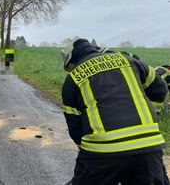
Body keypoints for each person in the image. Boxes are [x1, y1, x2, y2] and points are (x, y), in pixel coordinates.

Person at [61, 38, 169, 185]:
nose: (71, 70)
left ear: (72, 61)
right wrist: (152, 117)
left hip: (101, 152)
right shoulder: (128, 60)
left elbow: (75, 127)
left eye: (69, 67)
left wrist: (84, 151)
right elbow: (160, 87)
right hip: (148, 148)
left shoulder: (72, 79)